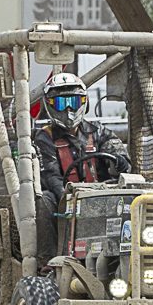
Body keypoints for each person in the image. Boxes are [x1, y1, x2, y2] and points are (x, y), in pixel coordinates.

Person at [33, 71, 130, 213]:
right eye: (61, 104)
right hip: (67, 206)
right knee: (45, 199)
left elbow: (122, 162)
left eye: (74, 102)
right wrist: (71, 203)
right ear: (49, 105)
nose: (68, 109)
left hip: (103, 199)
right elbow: (51, 177)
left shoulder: (99, 132)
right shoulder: (44, 138)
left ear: (84, 102)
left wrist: (120, 163)